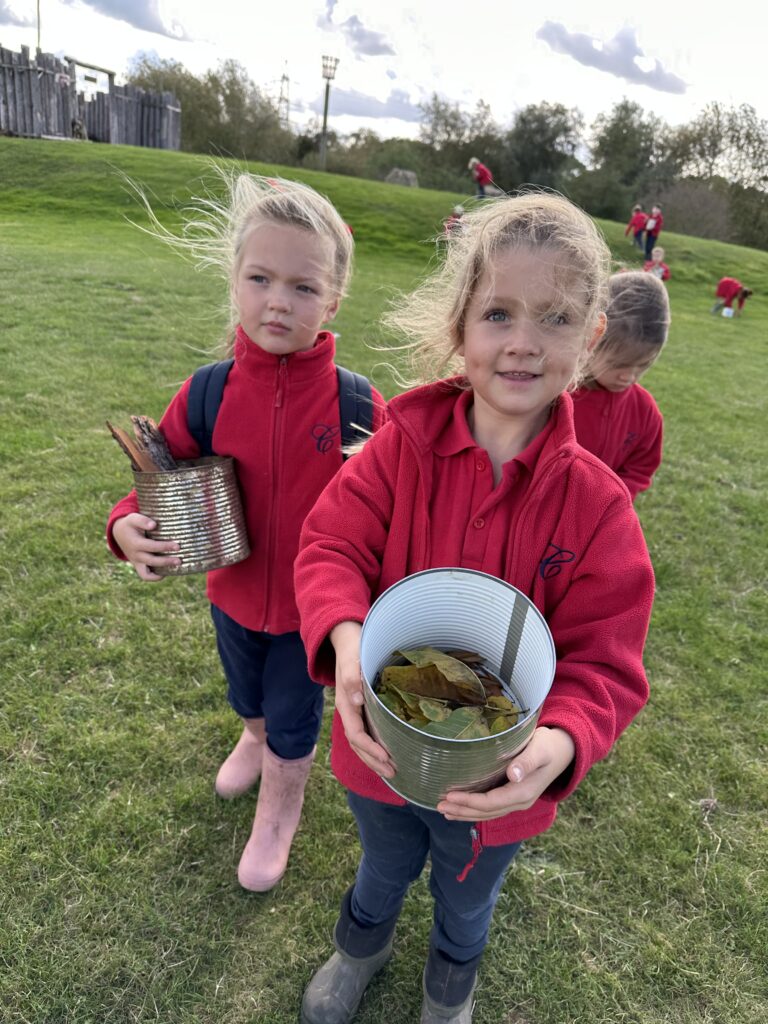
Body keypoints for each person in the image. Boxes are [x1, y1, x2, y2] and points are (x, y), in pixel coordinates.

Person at [294, 193, 655, 1024]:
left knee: (467, 893)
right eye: (498, 312)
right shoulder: (398, 447)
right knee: (381, 866)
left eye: (557, 318)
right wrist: (349, 642)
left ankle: (448, 994)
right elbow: (331, 548)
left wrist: (558, 743)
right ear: (461, 326)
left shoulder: (598, 507)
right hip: (382, 750)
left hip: (501, 779)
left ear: (592, 335)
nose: (524, 342)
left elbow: (606, 660)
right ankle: (360, 949)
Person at [106, 173, 386, 893]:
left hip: (312, 615)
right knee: (248, 695)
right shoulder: (208, 390)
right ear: (234, 281)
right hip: (229, 594)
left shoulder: (358, 406)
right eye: (260, 278)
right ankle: (252, 737)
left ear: (333, 299)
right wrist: (124, 526)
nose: (277, 301)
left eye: (301, 286)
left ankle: (280, 805)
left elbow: (391, 503)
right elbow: (157, 475)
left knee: (295, 714)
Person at [572, 271, 669, 500]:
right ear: (590, 340)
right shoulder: (556, 394)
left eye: (643, 365)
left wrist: (615, 496)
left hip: (602, 517)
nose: (629, 376)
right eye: (619, 364)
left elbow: (641, 466)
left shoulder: (644, 411)